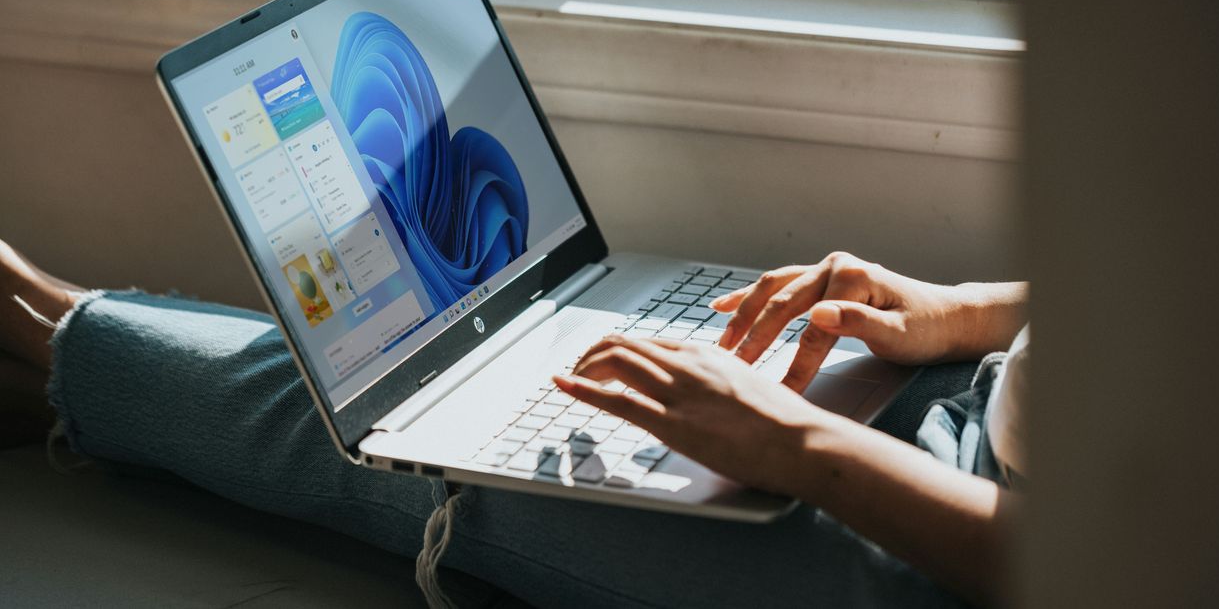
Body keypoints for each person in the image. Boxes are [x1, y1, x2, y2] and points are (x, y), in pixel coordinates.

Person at [0, 240, 1027, 608]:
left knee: (403, 430)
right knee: (469, 371)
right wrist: (970, 310)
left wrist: (801, 446)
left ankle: (38, 323)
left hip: (957, 554)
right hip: (965, 398)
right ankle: (56, 334)